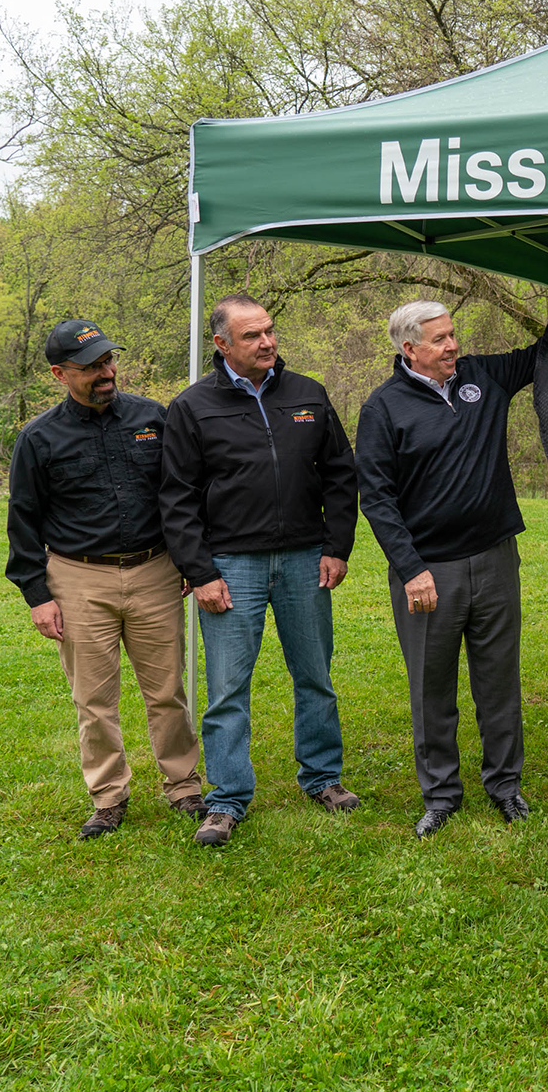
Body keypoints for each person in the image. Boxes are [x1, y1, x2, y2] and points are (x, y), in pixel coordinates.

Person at [160, 294, 361, 847]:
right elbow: (177, 498)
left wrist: (336, 545)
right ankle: (226, 799)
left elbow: (342, 475)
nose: (267, 342)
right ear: (222, 344)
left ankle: (322, 778)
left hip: (304, 560)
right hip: (230, 565)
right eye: (252, 336)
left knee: (315, 675)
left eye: (270, 331)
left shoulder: (308, 394)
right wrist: (200, 572)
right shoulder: (192, 406)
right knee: (227, 689)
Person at [5, 319, 204, 838]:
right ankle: (109, 796)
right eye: (91, 367)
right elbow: (22, 521)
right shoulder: (38, 438)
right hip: (78, 579)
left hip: (156, 571)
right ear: (59, 374)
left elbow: (180, 496)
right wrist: (38, 595)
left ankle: (184, 786)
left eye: (108, 361)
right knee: (94, 701)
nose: (106, 372)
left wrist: (187, 559)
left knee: (168, 691)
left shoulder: (153, 418)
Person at [355, 302, 538, 838]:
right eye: (439, 340)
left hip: (495, 558)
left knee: (498, 681)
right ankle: (440, 794)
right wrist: (411, 569)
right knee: (432, 688)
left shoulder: (482, 377)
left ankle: (506, 786)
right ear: (409, 349)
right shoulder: (384, 408)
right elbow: (379, 499)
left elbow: (540, 356)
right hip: (429, 571)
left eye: (453, 335)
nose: (453, 346)